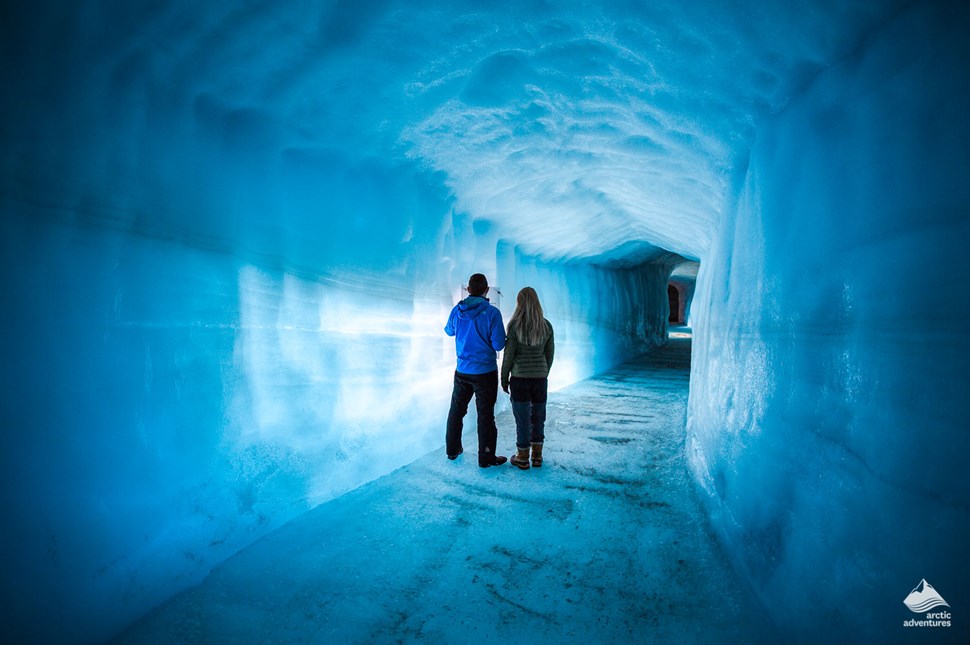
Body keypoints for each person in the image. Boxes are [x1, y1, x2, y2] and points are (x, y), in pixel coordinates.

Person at [444, 273, 508, 467]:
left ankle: (453, 450)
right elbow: (498, 345)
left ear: (468, 290)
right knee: (485, 415)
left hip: (462, 371)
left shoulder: (458, 310)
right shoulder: (492, 313)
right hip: (485, 372)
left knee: (456, 411)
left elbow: (449, 331)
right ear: (486, 290)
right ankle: (486, 457)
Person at [501, 287, 554, 470]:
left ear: (519, 303)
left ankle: (523, 457)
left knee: (522, 418)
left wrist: (503, 377)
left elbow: (509, 355)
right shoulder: (546, 326)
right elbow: (550, 354)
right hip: (539, 379)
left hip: (520, 379)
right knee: (538, 417)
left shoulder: (515, 325)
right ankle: (537, 456)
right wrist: (543, 372)